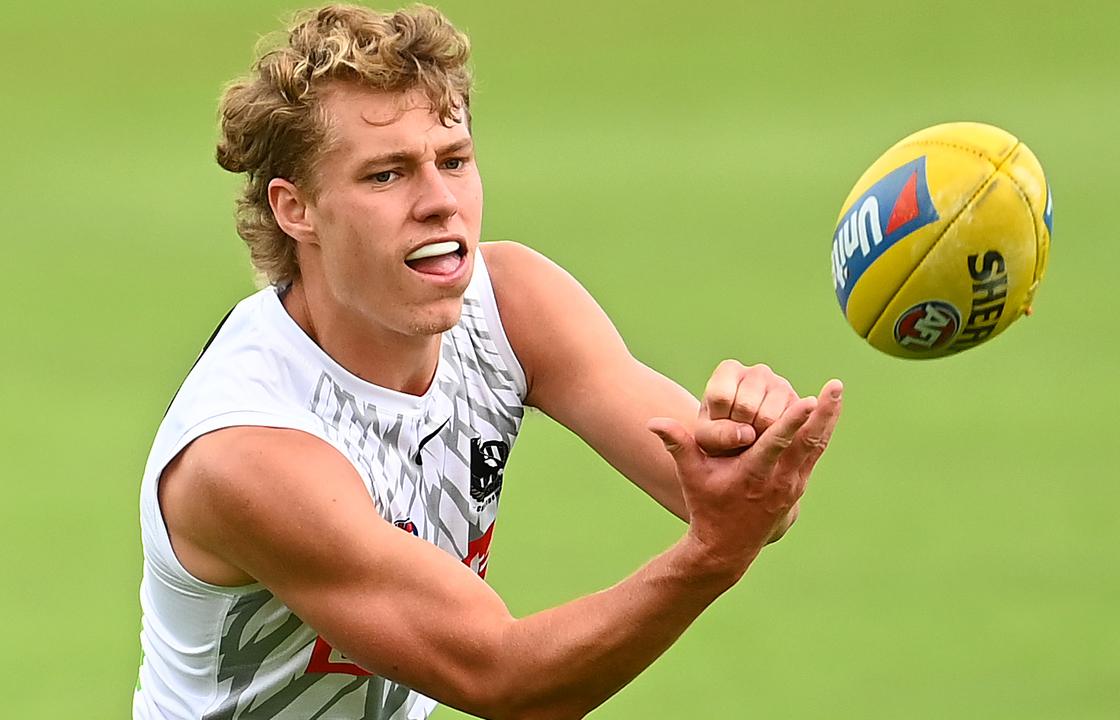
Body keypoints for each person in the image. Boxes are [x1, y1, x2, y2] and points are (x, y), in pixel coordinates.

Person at [133, 4, 843, 719]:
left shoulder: (513, 306)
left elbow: (737, 500)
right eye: (386, 176)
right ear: (298, 209)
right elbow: (504, 679)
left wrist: (753, 452)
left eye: (454, 160)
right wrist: (711, 556)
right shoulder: (248, 451)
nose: (440, 202)